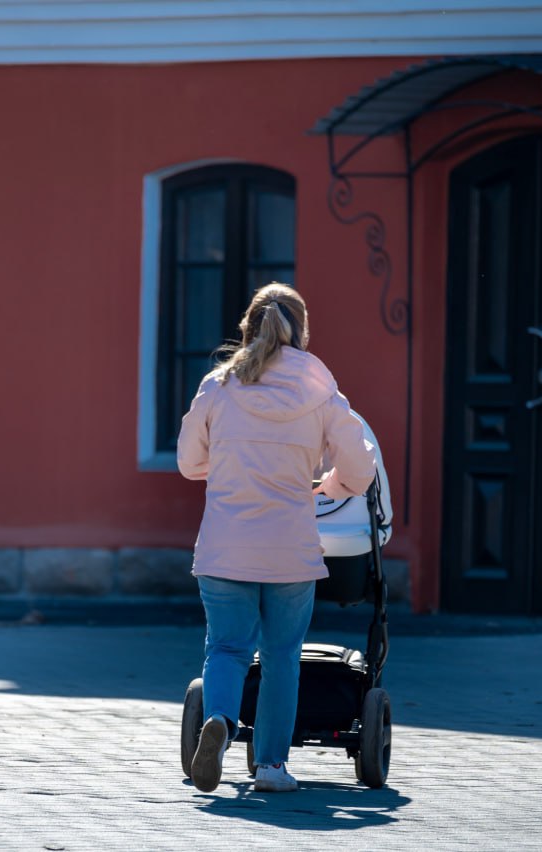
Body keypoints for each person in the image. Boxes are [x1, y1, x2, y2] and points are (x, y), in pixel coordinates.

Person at [178, 282, 376, 794]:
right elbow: (358, 471)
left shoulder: (217, 386)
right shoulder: (322, 394)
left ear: (247, 327)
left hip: (224, 546)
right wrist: (329, 484)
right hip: (290, 549)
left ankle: (220, 721)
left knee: (225, 647)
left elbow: (188, 462)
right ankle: (270, 766)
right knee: (283, 655)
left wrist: (225, 466)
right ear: (301, 332)